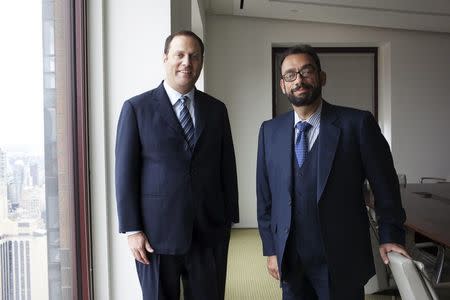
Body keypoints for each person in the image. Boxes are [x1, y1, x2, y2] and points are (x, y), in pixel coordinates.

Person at [256, 44, 409, 300]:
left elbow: (386, 186)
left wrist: (390, 235)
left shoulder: (357, 124)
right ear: (283, 85)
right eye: (291, 75)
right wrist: (271, 249)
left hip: (341, 256)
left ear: (321, 77)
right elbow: (265, 196)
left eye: (306, 71)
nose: (299, 80)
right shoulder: (269, 131)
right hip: (291, 258)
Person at [115, 30, 239, 300]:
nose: (187, 62)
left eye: (194, 56)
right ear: (165, 58)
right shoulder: (137, 108)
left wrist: (229, 219)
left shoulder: (216, 110)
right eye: (180, 55)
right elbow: (125, 173)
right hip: (156, 235)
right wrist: (132, 229)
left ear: (201, 62)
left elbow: (226, 167)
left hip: (209, 231)